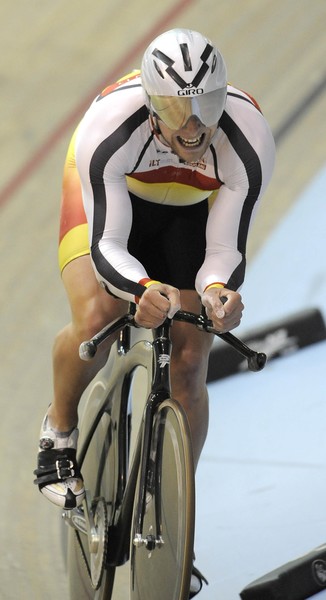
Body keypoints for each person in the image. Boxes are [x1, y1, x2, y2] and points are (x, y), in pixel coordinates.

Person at [34, 28, 275, 593]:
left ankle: (172, 512)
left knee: (192, 358)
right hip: (111, 207)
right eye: (175, 109)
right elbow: (107, 247)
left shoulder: (247, 134)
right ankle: (59, 433)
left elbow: (224, 249)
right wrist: (140, 288)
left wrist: (219, 291)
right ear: (149, 102)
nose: (193, 127)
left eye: (206, 107)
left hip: (191, 211)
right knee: (96, 316)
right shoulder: (109, 127)